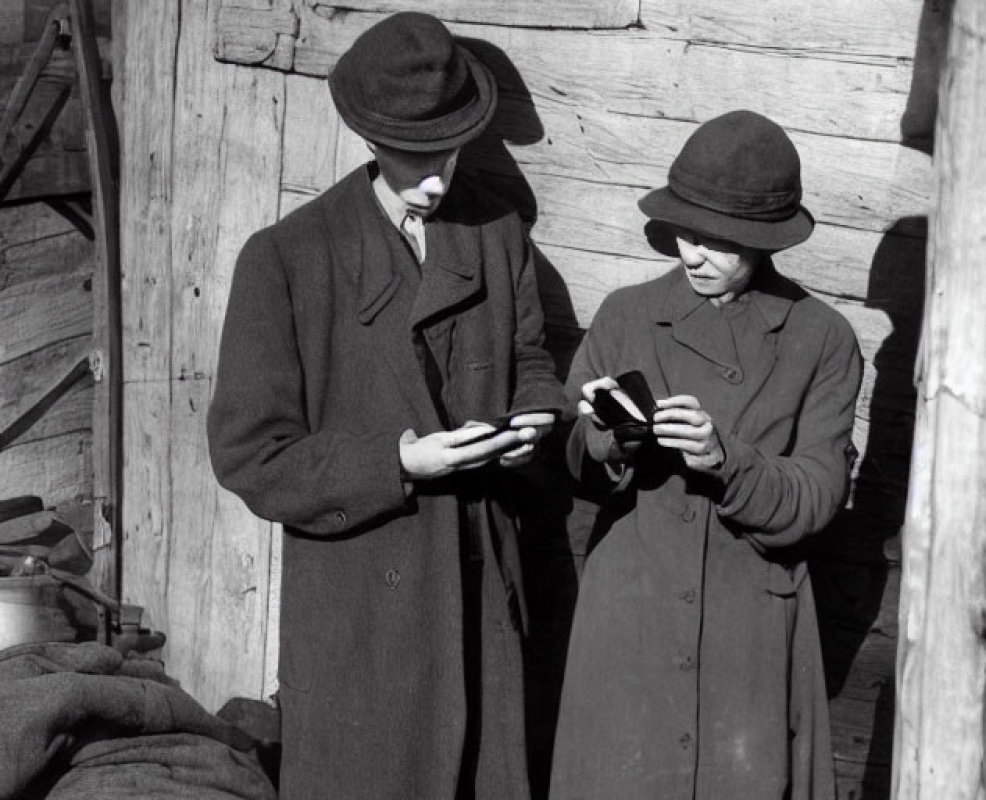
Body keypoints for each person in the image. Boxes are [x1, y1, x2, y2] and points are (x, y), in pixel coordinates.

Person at [206, 12, 563, 799]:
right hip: (364, 607)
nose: (438, 179)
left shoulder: (495, 232)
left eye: (450, 150)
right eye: (415, 157)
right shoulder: (287, 260)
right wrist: (397, 461)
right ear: (368, 139)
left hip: (477, 591)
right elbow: (250, 455)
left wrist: (535, 417)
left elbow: (531, 358)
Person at [548, 110, 862, 799]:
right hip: (631, 618)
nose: (692, 255)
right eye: (685, 233)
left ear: (766, 241)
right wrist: (606, 435)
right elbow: (567, 454)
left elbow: (815, 498)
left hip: (746, 629)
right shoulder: (626, 314)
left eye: (719, 243)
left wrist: (726, 459)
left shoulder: (822, 338)